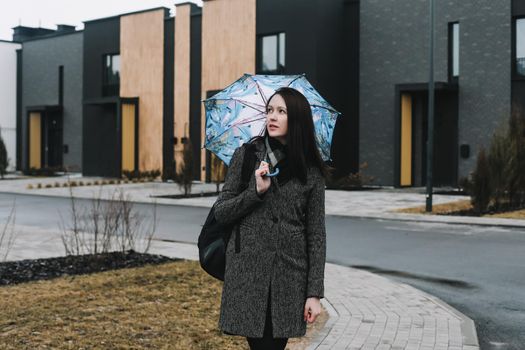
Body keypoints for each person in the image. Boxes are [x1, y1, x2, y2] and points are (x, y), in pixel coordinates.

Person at [214, 87, 327, 349]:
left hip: (289, 276)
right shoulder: (247, 156)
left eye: (281, 111)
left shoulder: (311, 170)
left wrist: (314, 293)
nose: (272, 117)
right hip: (248, 274)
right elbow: (222, 212)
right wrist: (255, 192)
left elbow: (316, 234)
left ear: (297, 119)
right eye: (269, 110)